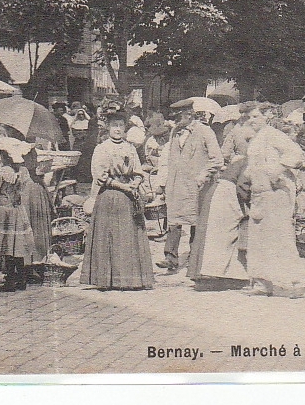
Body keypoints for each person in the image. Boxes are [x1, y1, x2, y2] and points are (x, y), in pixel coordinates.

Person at [80, 108, 154, 290]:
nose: (118, 129)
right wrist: (123, 186)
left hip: (129, 198)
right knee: (109, 238)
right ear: (108, 128)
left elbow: (138, 171)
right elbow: (100, 176)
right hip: (110, 196)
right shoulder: (102, 148)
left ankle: (129, 279)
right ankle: (107, 279)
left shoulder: (130, 148)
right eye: (114, 126)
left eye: (121, 126)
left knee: (127, 238)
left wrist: (135, 184)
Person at [243, 103, 305, 298]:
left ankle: (290, 282)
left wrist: (277, 171)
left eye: (255, 117)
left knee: (280, 237)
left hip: (275, 193)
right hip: (260, 193)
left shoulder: (273, 134)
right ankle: (262, 282)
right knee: (259, 239)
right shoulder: (256, 139)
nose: (251, 121)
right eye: (249, 118)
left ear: (267, 116)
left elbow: (295, 153)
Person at [158, 102, 223, 273]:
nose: (175, 122)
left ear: (189, 114)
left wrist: (203, 175)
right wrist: (164, 182)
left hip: (197, 187)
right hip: (177, 184)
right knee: (173, 220)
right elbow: (170, 159)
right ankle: (170, 258)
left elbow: (217, 159)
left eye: (178, 118)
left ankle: (195, 259)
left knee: (196, 222)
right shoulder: (174, 132)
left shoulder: (205, 132)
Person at [0, 137, 39, 292]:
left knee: (6, 246)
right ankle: (21, 278)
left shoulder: (2, 172)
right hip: (17, 210)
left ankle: (10, 280)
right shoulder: (23, 172)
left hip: (3, 210)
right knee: (15, 245)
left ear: (5, 156)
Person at [194, 157, 251, 289]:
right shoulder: (253, 162)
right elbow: (243, 186)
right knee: (223, 236)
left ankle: (232, 274)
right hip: (227, 194)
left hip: (224, 191)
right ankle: (212, 273)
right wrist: (251, 204)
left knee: (226, 236)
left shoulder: (245, 160)